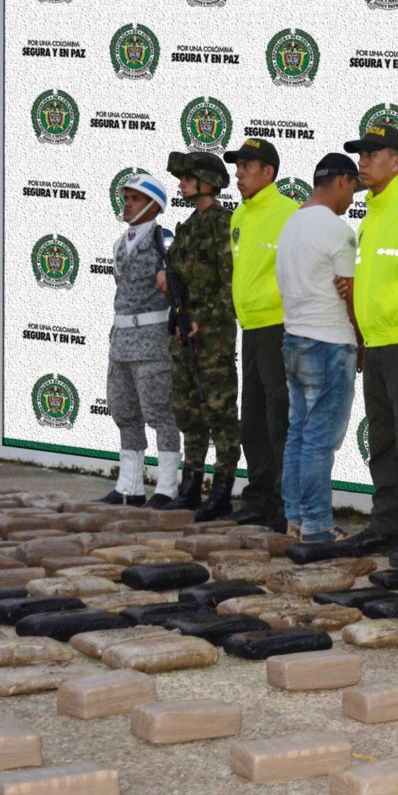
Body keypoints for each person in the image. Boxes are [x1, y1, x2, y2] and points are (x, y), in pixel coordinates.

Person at [329, 123, 398, 564]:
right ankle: (386, 523)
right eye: (361, 154)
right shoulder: (371, 213)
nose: (363, 162)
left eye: (374, 154)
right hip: (375, 344)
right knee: (383, 441)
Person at [274, 153, 363, 543]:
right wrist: (362, 339)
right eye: (353, 188)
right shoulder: (337, 228)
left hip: (294, 335)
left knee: (299, 432)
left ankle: (294, 518)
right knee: (318, 438)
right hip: (329, 339)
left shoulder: (291, 223)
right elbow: (350, 292)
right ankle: (316, 523)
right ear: (342, 181)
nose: (353, 198)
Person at [223, 137, 300, 533]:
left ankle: (286, 503)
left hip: (279, 327)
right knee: (251, 418)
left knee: (279, 417)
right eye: (237, 167)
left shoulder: (291, 212)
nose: (238, 174)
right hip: (250, 328)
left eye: (247, 167)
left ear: (269, 173)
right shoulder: (240, 215)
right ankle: (258, 497)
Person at [160, 150, 239, 522]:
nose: (182, 183)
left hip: (212, 336)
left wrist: (202, 319)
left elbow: (230, 287)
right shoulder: (188, 226)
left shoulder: (222, 224)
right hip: (182, 332)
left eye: (188, 177)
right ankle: (191, 483)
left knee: (220, 412)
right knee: (188, 411)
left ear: (208, 181)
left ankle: (222, 487)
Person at [99, 173, 180, 507]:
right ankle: (129, 486)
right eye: (126, 197)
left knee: (160, 412)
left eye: (134, 198)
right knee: (124, 410)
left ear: (152, 205)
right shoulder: (121, 243)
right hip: (122, 342)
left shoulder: (166, 242)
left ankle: (167, 487)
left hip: (152, 341)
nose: (127, 203)